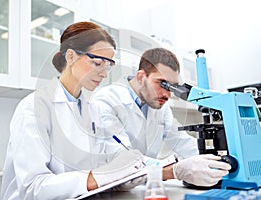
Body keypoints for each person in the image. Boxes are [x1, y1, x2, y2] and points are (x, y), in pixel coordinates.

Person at [1, 22, 145, 200]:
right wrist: (99, 177)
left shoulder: (93, 109)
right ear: (70, 56)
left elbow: (108, 157)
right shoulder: (33, 107)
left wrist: (129, 171)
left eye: (108, 65)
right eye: (97, 63)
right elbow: (33, 188)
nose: (104, 73)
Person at [92, 47, 231, 187]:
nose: (167, 94)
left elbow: (182, 142)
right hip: (108, 190)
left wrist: (220, 158)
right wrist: (175, 170)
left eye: (172, 87)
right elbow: (123, 159)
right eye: (162, 83)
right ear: (141, 77)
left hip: (142, 186)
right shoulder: (107, 100)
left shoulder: (159, 107)